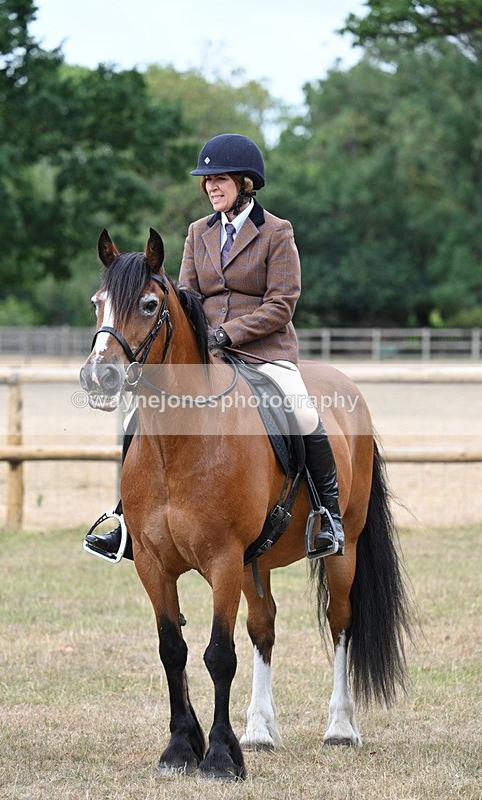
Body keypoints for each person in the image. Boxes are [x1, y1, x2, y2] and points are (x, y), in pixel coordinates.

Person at [84, 133, 344, 561]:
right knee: (137, 415)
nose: (210, 187)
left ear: (245, 183)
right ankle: (126, 520)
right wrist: (202, 338)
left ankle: (327, 516)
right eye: (207, 180)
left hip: (264, 352)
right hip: (209, 354)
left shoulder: (277, 232)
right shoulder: (198, 232)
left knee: (302, 412)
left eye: (219, 179)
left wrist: (227, 333)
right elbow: (187, 297)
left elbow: (281, 304)